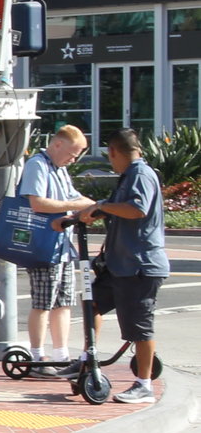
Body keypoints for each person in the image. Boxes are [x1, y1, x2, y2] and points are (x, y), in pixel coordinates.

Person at [51, 126, 170, 403]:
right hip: (119, 266)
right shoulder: (129, 175)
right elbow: (113, 208)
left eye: (110, 157)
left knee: (139, 328)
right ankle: (86, 358)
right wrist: (80, 216)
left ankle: (144, 385)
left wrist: (103, 207)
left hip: (139, 267)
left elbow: (137, 209)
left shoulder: (141, 175)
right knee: (91, 303)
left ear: (113, 152)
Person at [16, 124, 89, 362]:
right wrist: (79, 206)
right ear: (57, 144)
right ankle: (37, 355)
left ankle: (61, 353)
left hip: (63, 246)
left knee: (63, 301)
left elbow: (72, 196)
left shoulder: (59, 169)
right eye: (72, 153)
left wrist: (97, 205)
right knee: (43, 301)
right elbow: (37, 203)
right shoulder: (37, 165)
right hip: (44, 244)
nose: (73, 160)